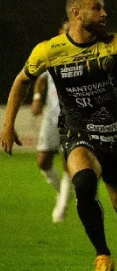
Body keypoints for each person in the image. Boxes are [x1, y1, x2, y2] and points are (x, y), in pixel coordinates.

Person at [1, 0, 117, 271]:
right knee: (84, 184)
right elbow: (22, 80)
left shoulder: (115, 43)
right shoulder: (50, 50)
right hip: (77, 132)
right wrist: (7, 126)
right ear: (76, 13)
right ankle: (102, 254)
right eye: (97, 8)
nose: (104, 14)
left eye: (104, 9)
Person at [30, 22, 73, 223]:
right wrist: (38, 97)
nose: (67, 32)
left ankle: (61, 208)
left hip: (74, 117)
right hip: (51, 115)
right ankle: (62, 192)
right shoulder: (51, 52)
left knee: (68, 162)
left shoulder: (84, 53)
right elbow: (41, 78)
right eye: (64, 29)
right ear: (59, 32)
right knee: (43, 161)